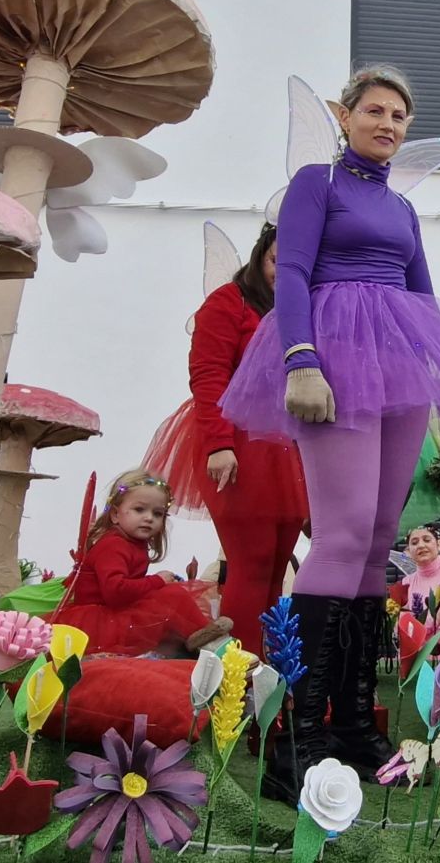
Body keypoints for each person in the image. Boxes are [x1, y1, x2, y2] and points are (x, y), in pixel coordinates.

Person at [220, 65, 440, 801]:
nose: (388, 122)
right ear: (345, 116)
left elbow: (423, 297)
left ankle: (349, 720)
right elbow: (292, 277)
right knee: (342, 535)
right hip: (333, 358)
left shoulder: (402, 211)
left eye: (400, 115)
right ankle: (298, 734)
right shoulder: (317, 183)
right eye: (375, 110)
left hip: (399, 364)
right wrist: (300, 358)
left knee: (377, 541)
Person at [142, 223, 308, 657]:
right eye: (276, 261)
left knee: (275, 569)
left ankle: (271, 671)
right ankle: (240, 677)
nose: (282, 272)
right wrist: (219, 444)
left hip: (288, 451)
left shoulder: (299, 310)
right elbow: (208, 376)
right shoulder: (226, 303)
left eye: (295, 264)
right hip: (236, 444)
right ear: (259, 257)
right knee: (251, 565)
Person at [49, 470, 232, 657]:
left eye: (158, 513)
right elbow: (115, 591)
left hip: (114, 615)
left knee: (169, 596)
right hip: (101, 623)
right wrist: (157, 581)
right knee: (172, 596)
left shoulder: (132, 544)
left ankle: (201, 640)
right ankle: (209, 642)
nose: (149, 518)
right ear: (115, 515)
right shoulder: (113, 546)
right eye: (139, 510)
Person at [400, 524, 440, 607]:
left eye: (427, 540)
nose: (421, 546)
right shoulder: (406, 583)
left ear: (439, 544)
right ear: (408, 552)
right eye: (414, 543)